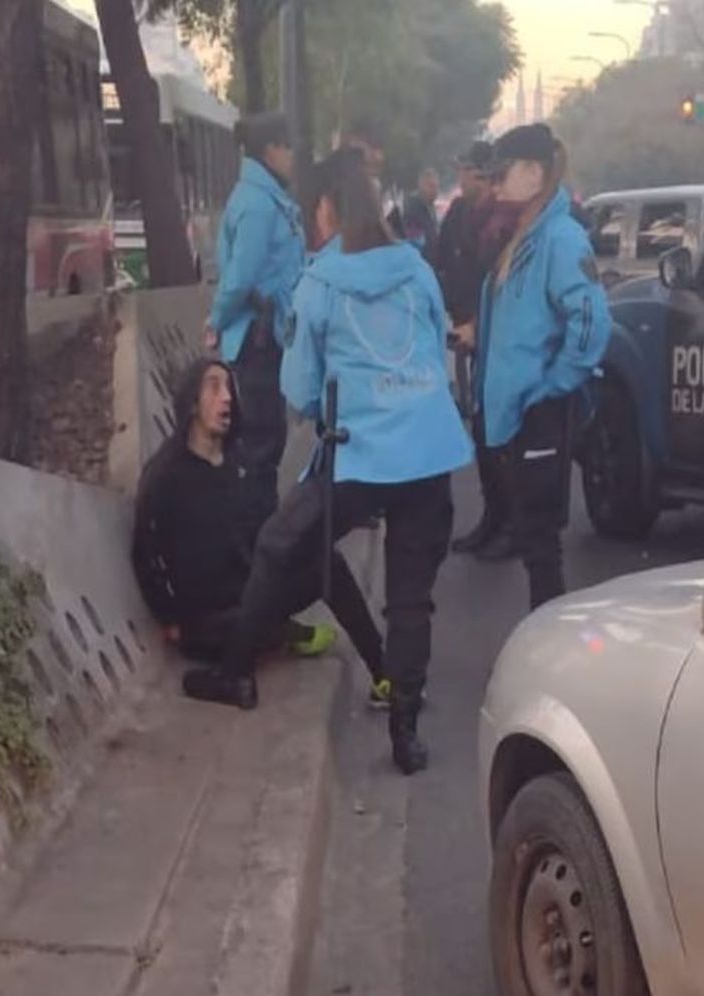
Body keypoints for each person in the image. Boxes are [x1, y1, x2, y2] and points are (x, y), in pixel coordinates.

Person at [189, 149, 473, 776]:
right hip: (428, 451)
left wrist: (327, 407)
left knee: (277, 543)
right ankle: (405, 735)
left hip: (356, 453)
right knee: (410, 599)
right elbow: (434, 340)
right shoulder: (417, 269)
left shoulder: (318, 284)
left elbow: (301, 389)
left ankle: (234, 671)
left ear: (328, 211)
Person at [132, 359, 391, 697]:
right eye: (214, 387)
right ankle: (276, 639)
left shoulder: (239, 462)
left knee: (328, 563)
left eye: (229, 388)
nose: (226, 397)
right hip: (207, 619)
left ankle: (384, 674)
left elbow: (265, 534)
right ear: (193, 402)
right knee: (241, 632)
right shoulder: (164, 474)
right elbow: (143, 553)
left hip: (252, 592)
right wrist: (169, 619)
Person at [477, 124, 612, 611]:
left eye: (501, 174)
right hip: (520, 413)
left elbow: (592, 323)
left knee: (540, 546)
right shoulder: (527, 236)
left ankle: (546, 651)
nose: (494, 186)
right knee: (534, 544)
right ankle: (542, 644)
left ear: (535, 173)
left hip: (542, 413)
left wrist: (551, 386)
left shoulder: (560, 239)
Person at [207, 111, 305, 538]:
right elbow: (241, 277)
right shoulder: (256, 204)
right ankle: (257, 544)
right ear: (271, 150)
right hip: (256, 339)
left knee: (263, 444)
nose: (292, 156)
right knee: (260, 446)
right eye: (287, 147)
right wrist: (215, 320)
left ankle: (259, 540)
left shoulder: (266, 199)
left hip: (268, 336)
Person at [436, 141, 515, 560]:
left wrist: (479, 326)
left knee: (500, 435)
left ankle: (511, 524)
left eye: (468, 171)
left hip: (493, 337)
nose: (463, 179)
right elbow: (441, 261)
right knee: (481, 432)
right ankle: (492, 517)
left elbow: (504, 286)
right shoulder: (459, 215)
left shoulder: (503, 221)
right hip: (465, 332)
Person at [397, 167, 442, 260]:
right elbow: (416, 244)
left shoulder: (430, 208)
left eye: (437, 187)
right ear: (421, 185)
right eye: (431, 186)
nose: (435, 190)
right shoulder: (413, 210)